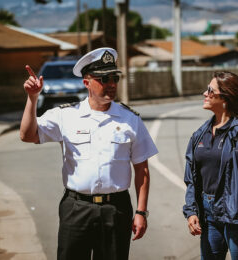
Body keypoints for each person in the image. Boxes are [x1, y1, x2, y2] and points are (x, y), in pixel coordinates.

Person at [20, 47, 158, 260]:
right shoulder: (66, 115)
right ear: (87, 83)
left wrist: (141, 212)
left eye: (114, 78)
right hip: (76, 208)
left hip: (116, 209)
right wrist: (32, 98)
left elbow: (142, 169)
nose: (111, 84)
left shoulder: (131, 119)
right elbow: (28, 135)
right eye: (104, 79)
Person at [183, 71, 238, 260]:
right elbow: (191, 176)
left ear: (226, 96)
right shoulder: (200, 133)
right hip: (208, 213)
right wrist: (192, 210)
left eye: (210, 90)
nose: (205, 93)